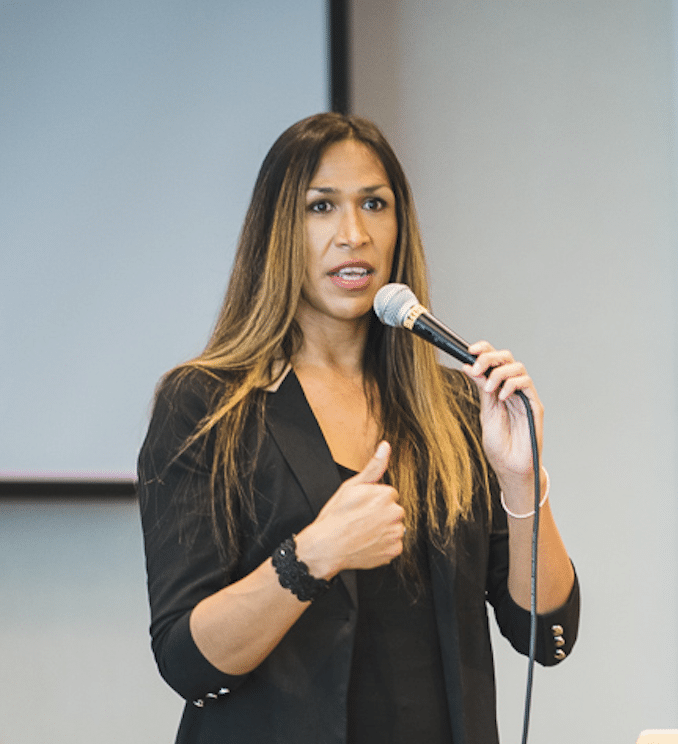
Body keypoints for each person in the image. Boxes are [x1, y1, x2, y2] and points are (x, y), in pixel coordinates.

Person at [138, 112, 579, 744]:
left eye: (375, 203)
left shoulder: (453, 409)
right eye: (321, 207)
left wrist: (521, 483)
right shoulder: (204, 405)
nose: (353, 234)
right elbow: (187, 661)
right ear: (277, 230)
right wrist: (313, 555)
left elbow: (545, 635)